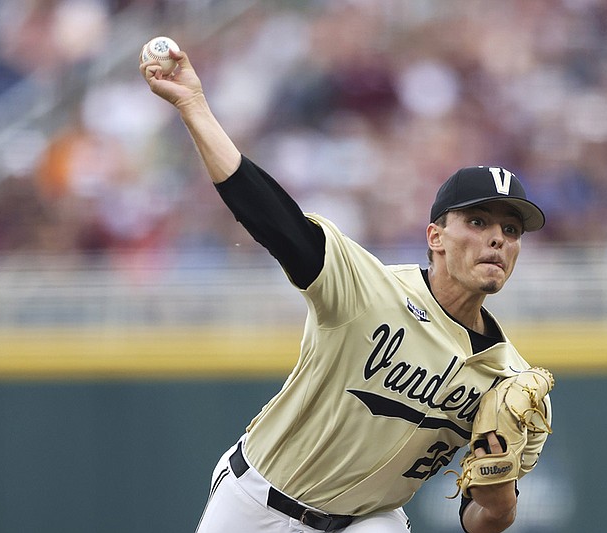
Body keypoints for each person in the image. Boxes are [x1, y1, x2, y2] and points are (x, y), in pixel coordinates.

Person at [141, 47, 551, 533]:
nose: (497, 239)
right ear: (435, 237)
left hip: (367, 522)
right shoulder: (366, 289)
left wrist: (500, 492)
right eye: (478, 221)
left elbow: (480, 521)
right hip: (259, 502)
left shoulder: (508, 379)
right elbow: (274, 220)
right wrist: (194, 107)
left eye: (511, 230)